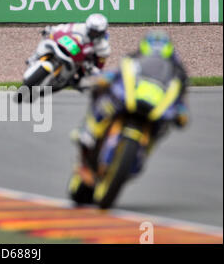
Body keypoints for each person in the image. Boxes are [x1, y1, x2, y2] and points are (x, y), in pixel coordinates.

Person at [70, 30, 189, 192]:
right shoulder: (133, 60)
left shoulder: (177, 73)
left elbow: (180, 96)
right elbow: (118, 72)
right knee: (101, 94)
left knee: (165, 126)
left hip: (154, 107)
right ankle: (89, 131)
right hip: (129, 98)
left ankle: (140, 153)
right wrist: (104, 79)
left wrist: (181, 111)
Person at [27, 13, 111, 89]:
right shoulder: (80, 27)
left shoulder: (103, 46)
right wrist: (51, 29)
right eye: (92, 31)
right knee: (48, 38)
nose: (94, 34)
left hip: (80, 61)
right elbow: (64, 28)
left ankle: (64, 81)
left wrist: (91, 68)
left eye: (97, 32)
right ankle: (35, 57)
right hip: (70, 47)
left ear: (102, 32)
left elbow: (100, 65)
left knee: (84, 83)